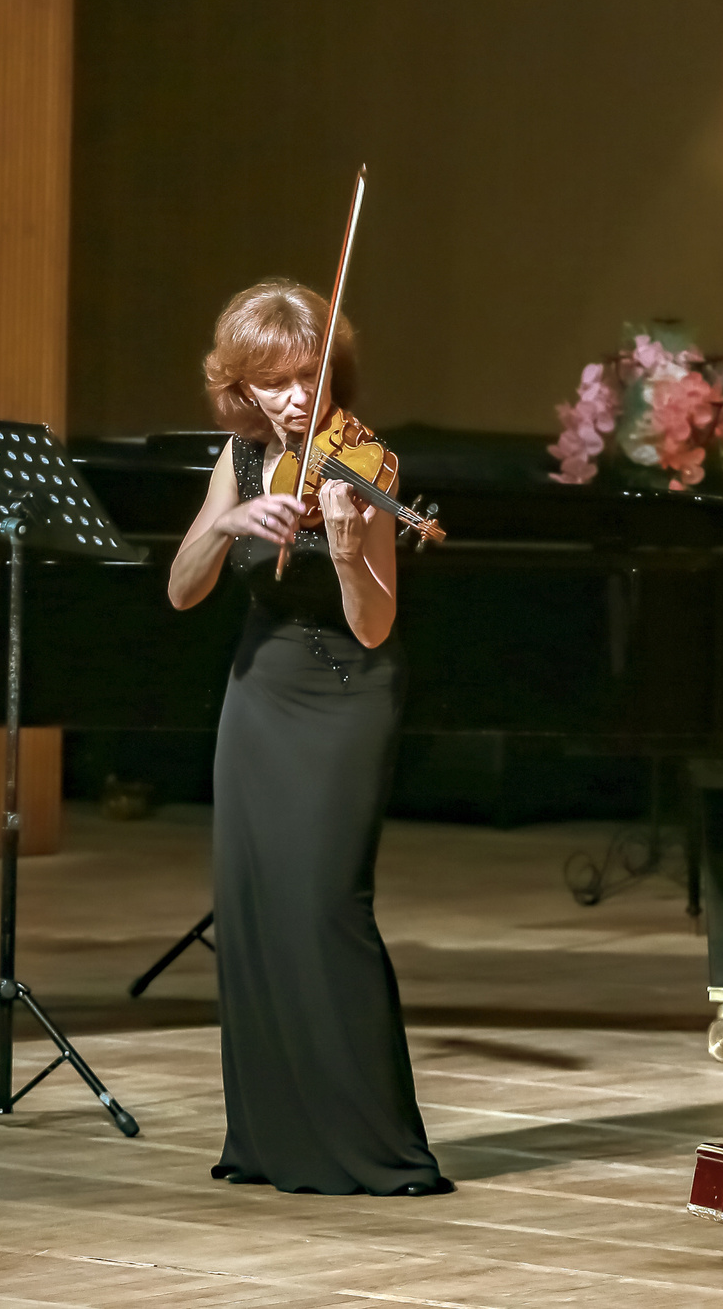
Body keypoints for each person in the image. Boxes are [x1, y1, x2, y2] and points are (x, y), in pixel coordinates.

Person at [168, 280, 449, 1196]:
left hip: (344, 689)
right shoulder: (240, 458)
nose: (296, 397)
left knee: (328, 904)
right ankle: (270, 1139)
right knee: (252, 906)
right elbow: (181, 589)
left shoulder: (370, 464)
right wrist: (227, 523)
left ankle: (377, 1146)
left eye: (306, 375)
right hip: (258, 688)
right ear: (241, 390)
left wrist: (345, 547)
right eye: (272, 382)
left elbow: (373, 625)